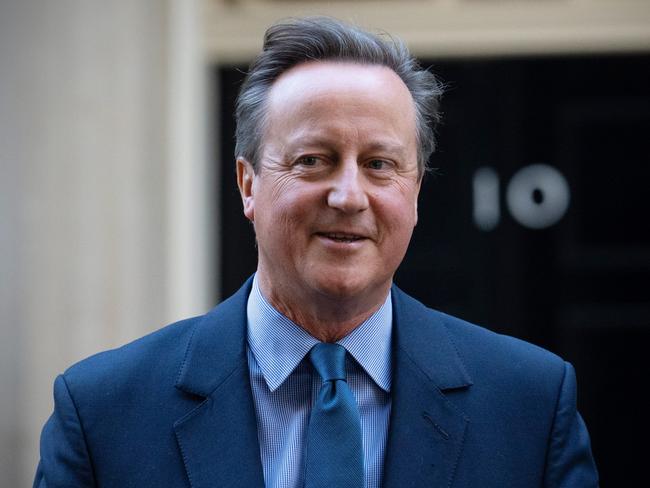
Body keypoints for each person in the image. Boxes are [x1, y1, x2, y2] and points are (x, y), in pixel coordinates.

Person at [34, 16, 598, 488]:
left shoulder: (530, 405)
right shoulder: (104, 412)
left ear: (416, 190)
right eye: (313, 160)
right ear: (248, 184)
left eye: (380, 164)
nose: (349, 196)